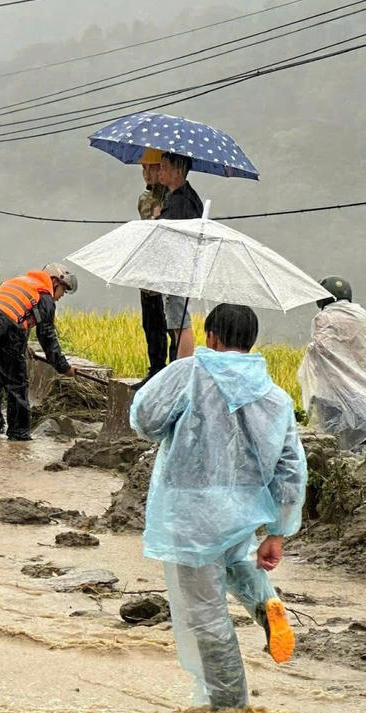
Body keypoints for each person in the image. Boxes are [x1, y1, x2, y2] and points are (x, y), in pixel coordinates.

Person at [130, 303, 305, 710]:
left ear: (211, 337)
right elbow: (291, 466)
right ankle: (265, 602)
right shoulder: (275, 397)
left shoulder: (188, 373)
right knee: (235, 557)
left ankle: (230, 703)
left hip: (190, 514)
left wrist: (175, 374)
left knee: (206, 617)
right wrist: (277, 532)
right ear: (251, 342)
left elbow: (145, 420)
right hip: (241, 510)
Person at [0, 264, 77, 441]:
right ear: (54, 281)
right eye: (63, 289)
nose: (62, 296)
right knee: (16, 385)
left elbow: (9, 314)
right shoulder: (44, 295)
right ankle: (18, 436)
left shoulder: (21, 282)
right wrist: (64, 368)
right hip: (7, 331)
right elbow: (46, 336)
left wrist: (22, 345)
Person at [298, 276, 366, 451]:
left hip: (334, 393)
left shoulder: (324, 317)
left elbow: (323, 350)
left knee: (337, 444)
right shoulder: (361, 315)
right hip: (362, 392)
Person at [156, 151, 205, 360]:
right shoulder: (181, 197)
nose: (160, 172)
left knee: (180, 322)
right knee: (177, 320)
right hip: (182, 266)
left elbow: (171, 234)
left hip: (179, 268)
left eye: (164, 167)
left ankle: (183, 364)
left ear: (177, 172)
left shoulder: (181, 201)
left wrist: (158, 218)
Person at [137, 148, 172, 388]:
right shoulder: (146, 199)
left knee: (169, 323)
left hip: (167, 271)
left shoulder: (174, 198)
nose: (147, 173)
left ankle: (169, 373)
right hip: (148, 269)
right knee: (151, 322)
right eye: (144, 168)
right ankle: (156, 369)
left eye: (153, 167)